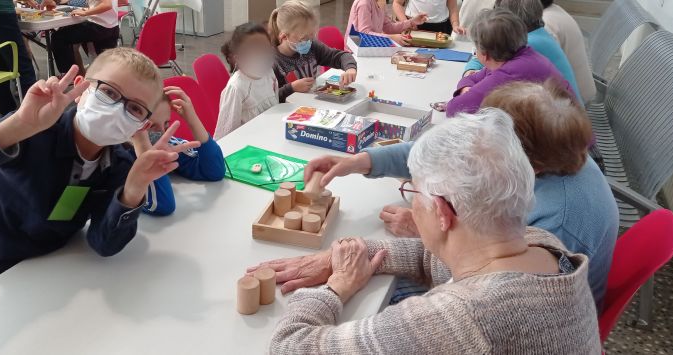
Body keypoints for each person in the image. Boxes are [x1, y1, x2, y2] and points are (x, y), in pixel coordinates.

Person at [253, 109, 600, 353]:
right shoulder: (541, 246)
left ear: (442, 212)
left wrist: (334, 288)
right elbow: (439, 258)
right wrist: (349, 254)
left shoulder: (460, 321)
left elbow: (290, 346)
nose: (411, 202)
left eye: (413, 192)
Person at [0, 48, 200, 296]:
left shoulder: (120, 162)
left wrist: (134, 188)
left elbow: (104, 243)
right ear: (81, 88)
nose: (116, 109)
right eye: (109, 92)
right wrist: (16, 127)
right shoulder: (34, 129)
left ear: (141, 125)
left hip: (58, 269)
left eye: (135, 109)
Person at [321, 80, 616, 307]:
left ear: (513, 156)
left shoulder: (558, 221)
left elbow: (487, 283)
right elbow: (445, 153)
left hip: (512, 308)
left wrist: (426, 233)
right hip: (497, 289)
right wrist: (365, 161)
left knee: (376, 299)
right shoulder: (554, 148)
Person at [445, 8, 571, 117]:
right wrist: (465, 88)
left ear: (484, 54)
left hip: (565, 141)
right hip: (567, 132)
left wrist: (466, 91)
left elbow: (455, 109)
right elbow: (473, 77)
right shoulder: (519, 56)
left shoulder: (511, 72)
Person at [462, 0, 581, 102]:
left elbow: (468, 101)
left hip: (563, 121)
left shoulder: (527, 45)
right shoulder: (537, 35)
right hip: (568, 115)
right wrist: (471, 72)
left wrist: (468, 80)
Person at [133, 88, 226, 216]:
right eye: (151, 126)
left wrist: (192, 120)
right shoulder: (117, 158)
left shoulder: (168, 144)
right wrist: (145, 149)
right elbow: (162, 205)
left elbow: (214, 171)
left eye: (166, 123)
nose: (162, 132)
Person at [270, 0, 358, 103]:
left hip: (311, 106)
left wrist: (350, 69)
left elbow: (339, 56)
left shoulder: (312, 47)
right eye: (304, 38)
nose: (309, 42)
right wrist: (291, 88)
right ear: (284, 37)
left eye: (312, 36)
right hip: (287, 112)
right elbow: (269, 99)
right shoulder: (272, 62)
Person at [215, 22, 278, 139]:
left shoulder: (269, 73)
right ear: (238, 58)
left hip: (270, 137)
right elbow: (225, 135)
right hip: (248, 148)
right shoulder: (236, 88)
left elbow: (275, 107)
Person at [541, 0, 596, 102]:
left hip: (575, 101)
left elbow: (544, 68)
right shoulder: (554, 11)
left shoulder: (545, 23)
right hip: (582, 91)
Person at [46, 0, 120, 75]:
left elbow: (107, 5)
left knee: (58, 37)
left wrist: (85, 13)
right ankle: (79, 74)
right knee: (105, 60)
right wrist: (87, 10)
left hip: (100, 26)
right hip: (111, 25)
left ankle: (68, 73)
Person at [347, 0, 427, 47]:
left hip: (370, 46)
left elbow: (389, 27)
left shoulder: (380, 2)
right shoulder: (364, 3)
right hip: (355, 50)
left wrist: (412, 22)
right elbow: (364, 34)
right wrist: (391, 37)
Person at [392, 0, 465, 34]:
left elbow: (453, 8)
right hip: (413, 26)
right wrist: (406, 23)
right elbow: (397, 3)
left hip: (440, 28)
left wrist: (455, 25)